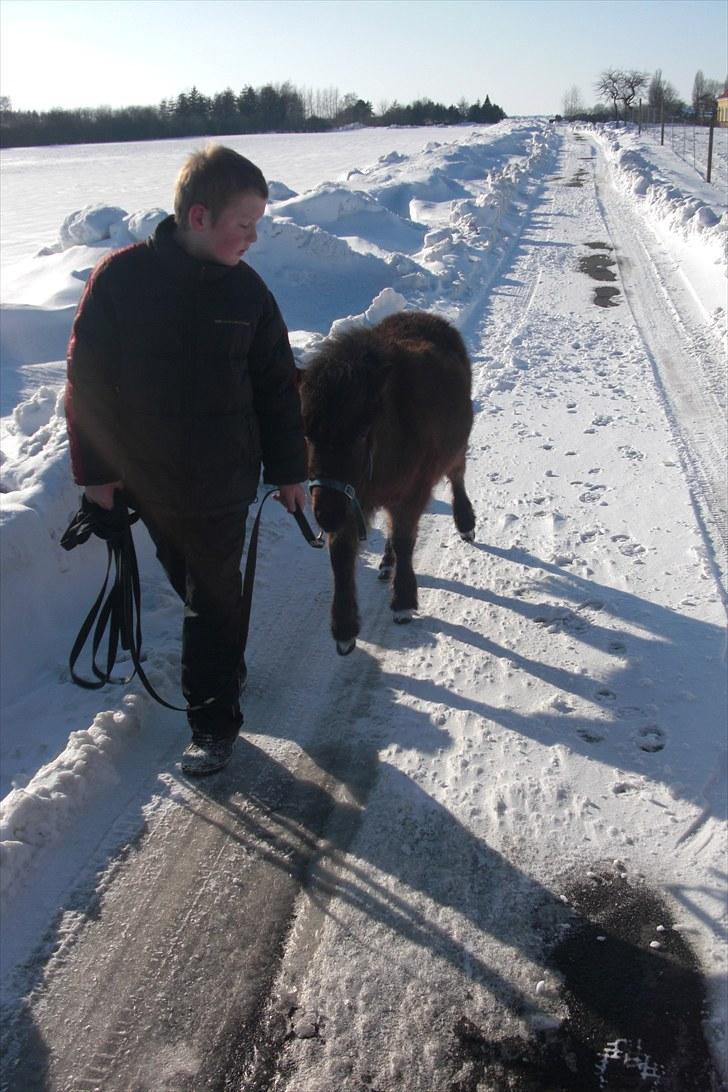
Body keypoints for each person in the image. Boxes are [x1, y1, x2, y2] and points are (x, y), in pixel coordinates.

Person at [65, 145, 307, 776]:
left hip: (224, 483)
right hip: (148, 479)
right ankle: (224, 662)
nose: (253, 238)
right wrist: (96, 473)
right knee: (200, 590)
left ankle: (213, 725)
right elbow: (87, 382)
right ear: (199, 216)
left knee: (214, 601)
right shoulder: (121, 280)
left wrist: (288, 470)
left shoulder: (249, 293)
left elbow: (277, 386)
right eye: (244, 223)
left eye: (258, 224)